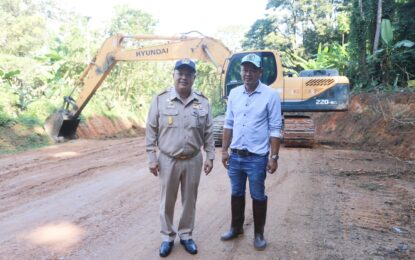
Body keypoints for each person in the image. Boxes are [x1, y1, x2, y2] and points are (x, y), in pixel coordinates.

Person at [145, 59, 215, 257]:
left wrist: (210, 155)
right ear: (174, 75)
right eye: (180, 73)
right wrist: (152, 156)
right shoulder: (160, 99)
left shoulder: (202, 102)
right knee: (167, 200)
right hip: (168, 160)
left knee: (189, 201)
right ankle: (167, 237)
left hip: (193, 159)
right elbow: (151, 130)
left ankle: (185, 235)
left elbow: (209, 131)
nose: (184, 77)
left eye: (188, 74)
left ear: (194, 77)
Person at [220, 53, 282, 250]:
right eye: (245, 69)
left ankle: (258, 234)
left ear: (259, 72)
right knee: (236, 192)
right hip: (236, 156)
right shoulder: (234, 94)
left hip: (257, 158)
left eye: (252, 70)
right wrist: (224, 150)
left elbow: (275, 128)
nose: (248, 73)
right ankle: (236, 227)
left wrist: (273, 157)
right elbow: (228, 123)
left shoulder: (270, 95)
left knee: (258, 195)